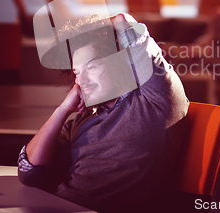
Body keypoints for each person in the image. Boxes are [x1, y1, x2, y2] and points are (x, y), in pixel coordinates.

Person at [18, 13, 189, 212]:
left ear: (118, 63)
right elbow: (30, 173)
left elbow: (127, 24)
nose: (82, 81)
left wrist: (97, 31)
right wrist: (63, 109)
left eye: (91, 67)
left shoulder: (154, 100)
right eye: (76, 72)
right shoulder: (82, 121)